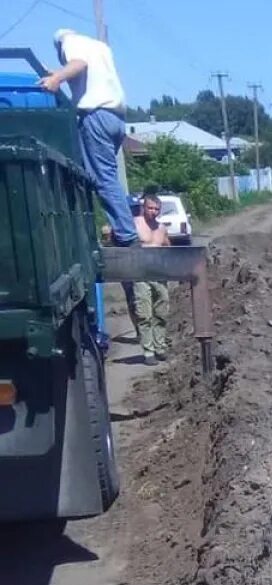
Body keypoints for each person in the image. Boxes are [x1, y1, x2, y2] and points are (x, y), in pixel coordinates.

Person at [38, 28, 137, 247]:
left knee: (103, 179)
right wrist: (57, 73)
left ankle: (127, 236)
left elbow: (79, 64)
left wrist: (56, 78)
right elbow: (88, 74)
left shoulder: (69, 43)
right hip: (116, 118)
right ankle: (121, 231)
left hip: (96, 116)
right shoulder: (98, 47)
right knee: (98, 177)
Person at [132, 194, 171, 365]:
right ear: (144, 207)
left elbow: (169, 248)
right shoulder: (135, 224)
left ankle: (160, 347)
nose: (153, 212)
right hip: (140, 274)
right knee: (144, 314)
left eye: (156, 209)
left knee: (161, 312)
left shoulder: (161, 228)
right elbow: (120, 241)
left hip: (159, 275)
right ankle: (148, 352)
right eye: (150, 208)